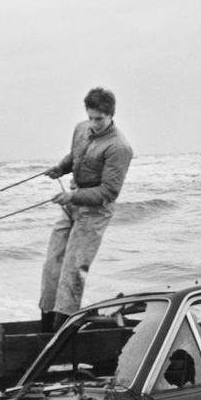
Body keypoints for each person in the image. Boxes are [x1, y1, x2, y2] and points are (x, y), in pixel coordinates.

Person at [39, 87, 133, 332]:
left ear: (111, 115)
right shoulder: (81, 129)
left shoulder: (119, 147)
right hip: (72, 203)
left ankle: (62, 333)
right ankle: (45, 328)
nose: (94, 124)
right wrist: (60, 168)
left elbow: (108, 192)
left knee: (73, 270)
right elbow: (76, 155)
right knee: (52, 264)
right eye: (91, 117)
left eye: (99, 119)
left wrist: (72, 195)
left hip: (95, 211)